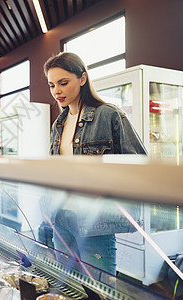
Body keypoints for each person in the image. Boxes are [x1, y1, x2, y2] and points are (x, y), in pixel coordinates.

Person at [43, 52, 147, 274]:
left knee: (99, 289)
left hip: (94, 221)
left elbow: (140, 163)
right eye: (52, 85)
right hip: (61, 217)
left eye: (63, 83)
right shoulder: (57, 125)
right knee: (68, 286)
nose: (56, 91)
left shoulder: (109, 115)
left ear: (82, 79)